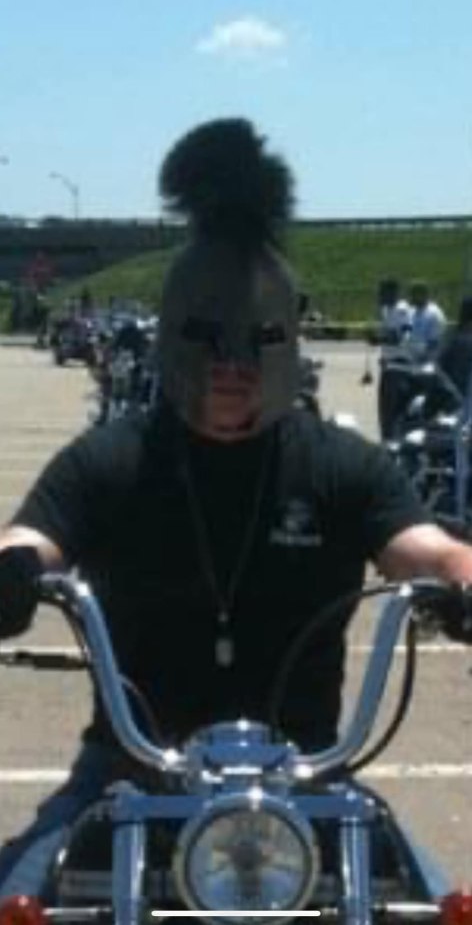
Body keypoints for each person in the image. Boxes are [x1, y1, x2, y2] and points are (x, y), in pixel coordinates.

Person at [0, 118, 471, 897]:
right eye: (208, 340)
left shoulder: (339, 464)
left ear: (288, 340)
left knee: (431, 896)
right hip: (129, 770)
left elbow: (424, 546)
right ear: (172, 336)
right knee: (21, 893)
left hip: (307, 775)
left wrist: (460, 577)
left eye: (257, 341)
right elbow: (31, 537)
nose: (232, 366)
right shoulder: (113, 459)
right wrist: (12, 572)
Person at [375, 278, 413, 439]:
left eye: (382, 292)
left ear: (393, 293)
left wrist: (380, 339)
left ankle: (393, 441)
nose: (379, 295)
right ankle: (387, 440)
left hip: (399, 366)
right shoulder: (386, 310)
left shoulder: (402, 310)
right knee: (384, 409)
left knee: (392, 409)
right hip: (388, 366)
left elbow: (403, 337)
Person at [407, 280, 447, 361]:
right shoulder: (412, 311)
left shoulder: (434, 314)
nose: (411, 297)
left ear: (423, 295)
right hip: (410, 356)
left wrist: (420, 356)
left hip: (428, 360)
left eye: (414, 294)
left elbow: (434, 343)